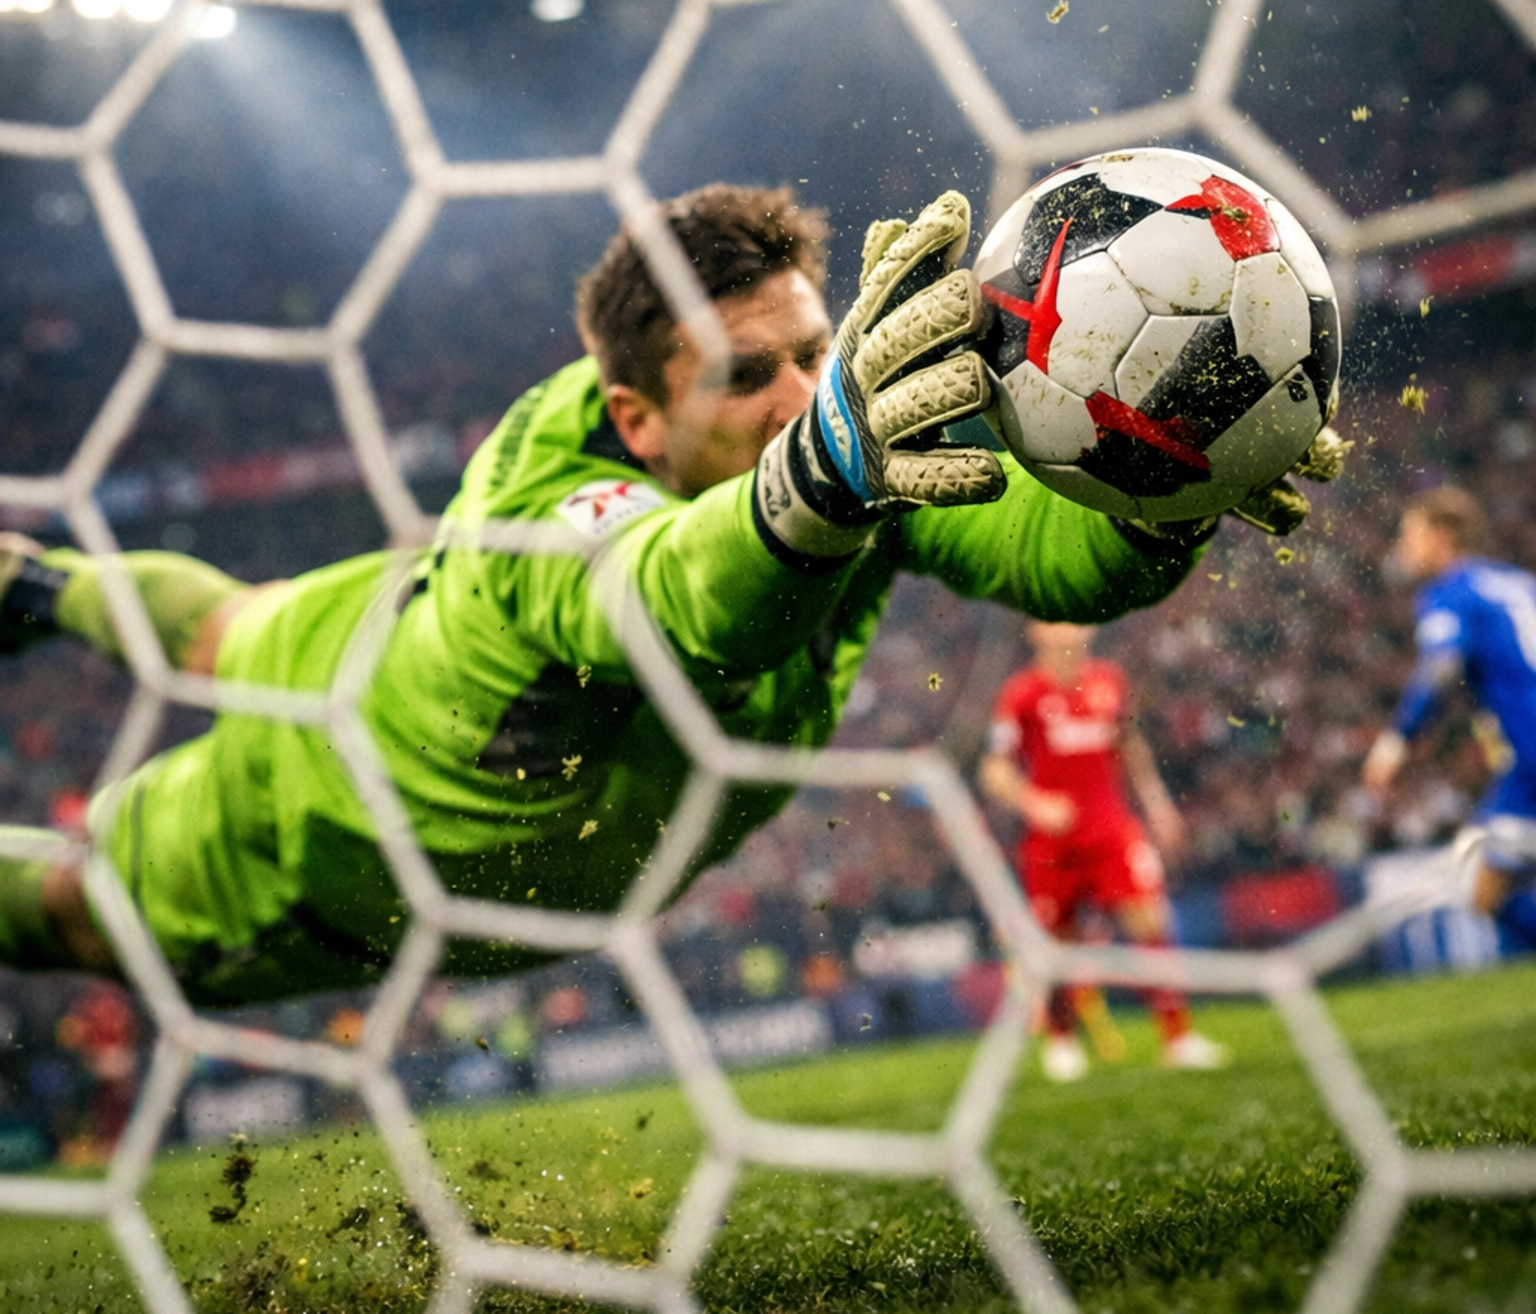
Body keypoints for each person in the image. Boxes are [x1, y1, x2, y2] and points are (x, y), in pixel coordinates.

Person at [0, 182, 1296, 1012]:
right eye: (747, 378)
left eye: (812, 355)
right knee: (76, 907)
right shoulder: (550, 506)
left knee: (232, 623)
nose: (802, 398)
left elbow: (1041, 549)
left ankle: (40, 583)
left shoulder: (849, 440)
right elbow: (670, 598)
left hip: (365, 629)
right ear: (636, 416)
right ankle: (48, 590)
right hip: (331, 826)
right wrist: (817, 482)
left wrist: (1159, 493)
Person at [982, 621, 1228, 1080]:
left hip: (1112, 831)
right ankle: (1061, 1040)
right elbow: (994, 770)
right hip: (1052, 842)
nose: (1067, 631)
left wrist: (1156, 804)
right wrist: (1035, 803)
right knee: (1059, 942)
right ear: (1035, 631)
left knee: (1149, 922)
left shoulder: (1109, 681)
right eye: (1056, 622)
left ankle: (1178, 1038)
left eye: (1075, 621)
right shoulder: (1021, 694)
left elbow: (1130, 744)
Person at [1363, 485, 1536, 952]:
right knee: (1485, 888)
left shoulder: (1450, 593)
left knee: (1484, 887)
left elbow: (1439, 670)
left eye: (1411, 535)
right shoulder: (1515, 581)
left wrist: (1395, 742)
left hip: (1532, 755)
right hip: (1524, 762)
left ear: (1443, 537)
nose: (1404, 548)